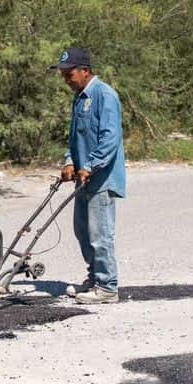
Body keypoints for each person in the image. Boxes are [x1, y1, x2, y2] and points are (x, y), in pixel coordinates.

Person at [51, 47, 125, 304]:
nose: (66, 80)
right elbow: (76, 137)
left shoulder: (105, 95)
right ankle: (94, 278)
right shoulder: (80, 97)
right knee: (82, 231)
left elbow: (110, 138)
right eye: (63, 75)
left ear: (85, 71)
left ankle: (107, 287)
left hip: (100, 179)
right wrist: (71, 162)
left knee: (99, 232)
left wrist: (91, 165)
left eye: (69, 74)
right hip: (83, 180)